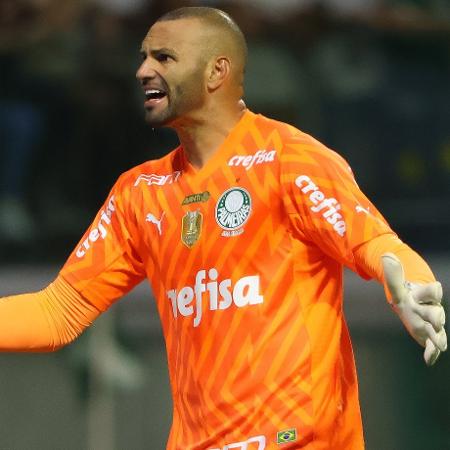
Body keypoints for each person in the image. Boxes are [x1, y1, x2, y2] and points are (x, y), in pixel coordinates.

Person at [0, 6, 447, 450]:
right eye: (143, 56)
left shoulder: (288, 159)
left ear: (217, 71)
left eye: (164, 58)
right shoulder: (139, 193)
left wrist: (410, 284)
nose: (142, 70)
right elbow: (55, 314)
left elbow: (376, 243)